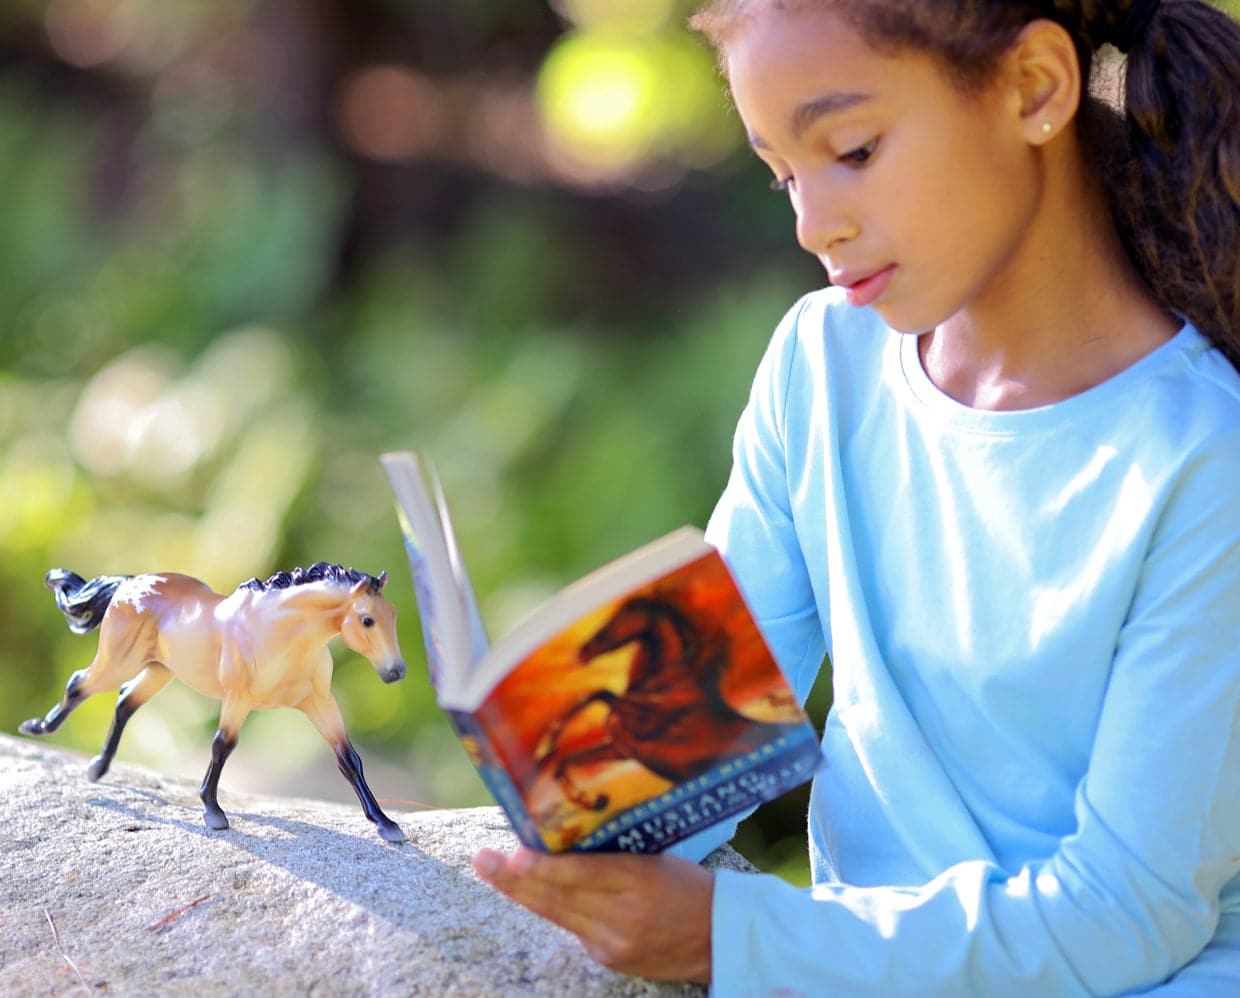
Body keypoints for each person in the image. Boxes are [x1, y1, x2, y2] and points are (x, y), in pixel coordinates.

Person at [473, 0, 1240, 993]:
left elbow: (1126, 911)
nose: (811, 220)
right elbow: (694, 715)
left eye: (853, 150)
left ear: (1033, 89)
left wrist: (737, 936)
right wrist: (553, 796)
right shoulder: (821, 361)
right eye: (782, 173)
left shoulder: (1200, 460)